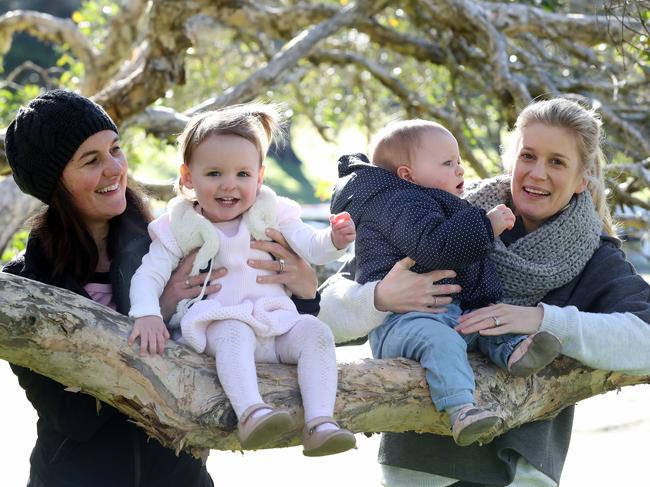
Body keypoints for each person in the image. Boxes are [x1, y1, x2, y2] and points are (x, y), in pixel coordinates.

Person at [319, 97, 650, 486]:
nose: (538, 173)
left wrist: (543, 320)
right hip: (423, 467)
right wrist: (377, 298)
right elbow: (318, 312)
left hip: (524, 471)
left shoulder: (594, 256)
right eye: (528, 156)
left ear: (582, 179)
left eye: (557, 162)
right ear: (512, 161)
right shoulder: (436, 215)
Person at [2, 90, 320, 486]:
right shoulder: (24, 286)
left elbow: (261, 345)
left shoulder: (172, 243)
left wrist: (307, 296)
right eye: (91, 160)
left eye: (116, 150)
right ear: (54, 182)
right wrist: (161, 306)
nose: (114, 168)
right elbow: (73, 415)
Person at [129, 103, 357, 456]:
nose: (229, 186)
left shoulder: (271, 212)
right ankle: (251, 412)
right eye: (215, 173)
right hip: (218, 325)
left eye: (242, 175)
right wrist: (147, 312)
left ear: (260, 177)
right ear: (188, 177)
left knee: (317, 333)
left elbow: (310, 246)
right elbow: (149, 274)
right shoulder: (181, 225)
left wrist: (334, 240)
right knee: (234, 331)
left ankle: (320, 422)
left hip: (276, 324)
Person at [330, 119, 558, 447]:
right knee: (442, 342)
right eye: (448, 163)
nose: (460, 170)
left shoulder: (428, 200)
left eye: (460, 161)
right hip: (402, 322)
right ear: (407, 175)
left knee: (487, 320)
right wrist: (486, 225)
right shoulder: (399, 203)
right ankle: (461, 409)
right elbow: (436, 247)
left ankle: (515, 351)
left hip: (447, 312)